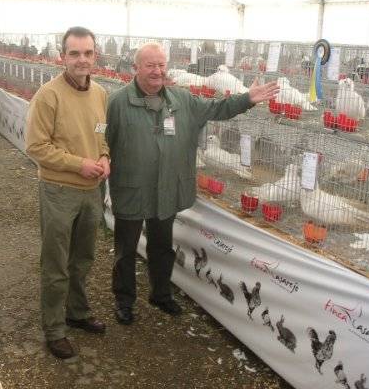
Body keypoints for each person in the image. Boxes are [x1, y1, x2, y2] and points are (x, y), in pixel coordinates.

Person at [106, 43, 279, 325]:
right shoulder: (118, 102)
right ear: (135, 68)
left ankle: (160, 295)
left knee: (162, 246)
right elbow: (103, 139)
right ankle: (124, 301)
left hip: (165, 190)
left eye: (161, 64)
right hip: (132, 189)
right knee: (125, 250)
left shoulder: (181, 100)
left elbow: (217, 108)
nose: (157, 70)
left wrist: (247, 98)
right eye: (150, 65)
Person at [26, 26, 110, 360]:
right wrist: (79, 164)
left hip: (92, 191)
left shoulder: (100, 93)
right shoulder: (49, 95)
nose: (81, 59)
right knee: (56, 263)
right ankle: (54, 328)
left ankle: (77, 312)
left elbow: (101, 131)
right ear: (62, 57)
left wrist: (105, 156)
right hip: (60, 190)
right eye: (74, 53)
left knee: (83, 258)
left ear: (95, 56)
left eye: (87, 53)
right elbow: (36, 146)